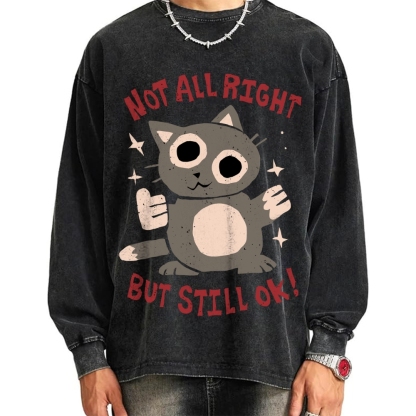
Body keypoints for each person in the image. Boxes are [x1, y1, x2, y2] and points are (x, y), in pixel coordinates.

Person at [48, 0, 368, 415]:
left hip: (275, 364)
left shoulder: (306, 49)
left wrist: (329, 349)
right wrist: (88, 353)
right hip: (148, 365)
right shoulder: (114, 49)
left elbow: (338, 205)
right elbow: (79, 206)